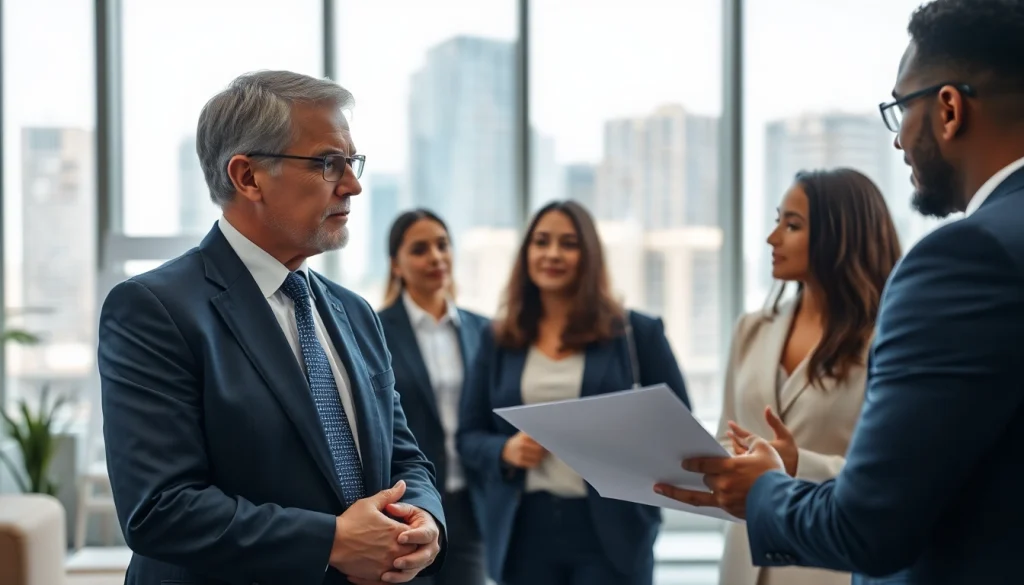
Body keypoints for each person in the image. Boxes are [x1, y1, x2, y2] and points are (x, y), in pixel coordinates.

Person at [653, 1, 1024, 583]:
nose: (899, 138)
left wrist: (766, 490)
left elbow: (868, 526)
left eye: (902, 107)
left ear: (949, 108)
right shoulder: (754, 328)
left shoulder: (962, 261)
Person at [98, 70, 445, 585]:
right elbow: (161, 509)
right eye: (329, 163)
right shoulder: (153, 310)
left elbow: (404, 458)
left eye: (352, 162)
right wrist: (331, 541)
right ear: (248, 177)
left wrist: (423, 517)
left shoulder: (355, 313)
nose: (353, 184)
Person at [457, 200, 691, 585]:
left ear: (589, 255)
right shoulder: (499, 338)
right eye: (542, 241)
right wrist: (505, 451)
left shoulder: (637, 334)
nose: (552, 254)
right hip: (524, 529)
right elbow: (468, 436)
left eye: (568, 243)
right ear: (526, 253)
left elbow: (678, 428)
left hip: (611, 530)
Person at [714, 168, 901, 585]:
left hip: (825, 566)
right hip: (743, 562)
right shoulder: (751, 329)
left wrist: (796, 464)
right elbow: (728, 435)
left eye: (792, 225)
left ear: (840, 237)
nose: (773, 238)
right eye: (777, 220)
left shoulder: (884, 340)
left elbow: (891, 476)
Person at [377, 209, 489, 585]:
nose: (436, 258)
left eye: (442, 245)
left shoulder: (482, 331)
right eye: (420, 249)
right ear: (396, 264)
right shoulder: (373, 329)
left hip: (470, 504)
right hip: (406, 507)